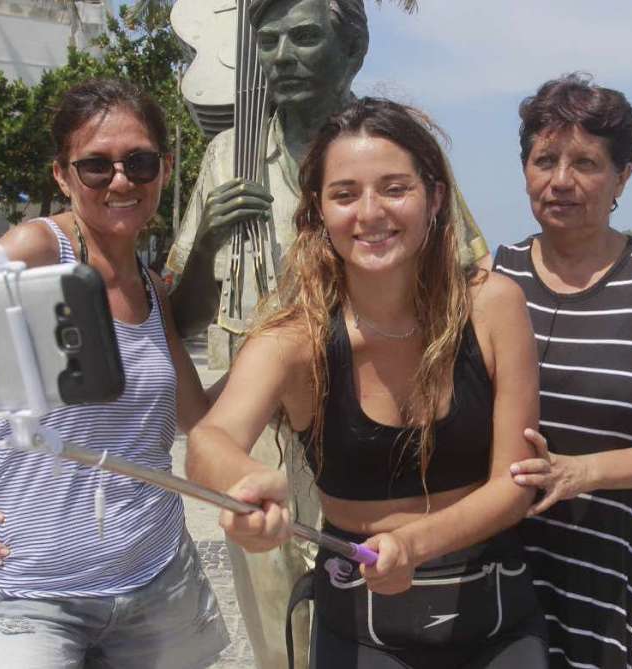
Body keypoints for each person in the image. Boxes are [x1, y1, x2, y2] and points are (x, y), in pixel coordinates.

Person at [165, 1, 489, 666]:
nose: (282, 56)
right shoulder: (230, 155)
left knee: (383, 618)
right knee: (277, 623)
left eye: (305, 37)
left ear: (353, 52)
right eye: (268, 39)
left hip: (373, 431)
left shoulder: (391, 152)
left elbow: (470, 283)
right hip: (260, 437)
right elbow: (180, 315)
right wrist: (207, 247)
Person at [0, 78, 229, 668]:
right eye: (95, 166)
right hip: (29, 592)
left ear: (164, 168)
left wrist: (280, 345)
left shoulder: (150, 288)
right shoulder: (36, 251)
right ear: (63, 176)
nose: (121, 180)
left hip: (158, 582)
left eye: (139, 162)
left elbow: (198, 419)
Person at [186, 97, 548, 668]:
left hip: (496, 615)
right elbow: (210, 440)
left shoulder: (493, 306)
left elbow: (517, 483)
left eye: (395, 188)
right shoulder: (296, 337)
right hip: (362, 631)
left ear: (435, 197)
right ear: (318, 213)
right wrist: (247, 481)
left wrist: (414, 545)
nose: (370, 213)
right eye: (345, 194)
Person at [492, 74, 632, 669]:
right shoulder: (494, 276)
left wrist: (580, 472)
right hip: (500, 575)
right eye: (545, 160)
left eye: (586, 162)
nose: (561, 180)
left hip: (609, 584)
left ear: (623, 176)